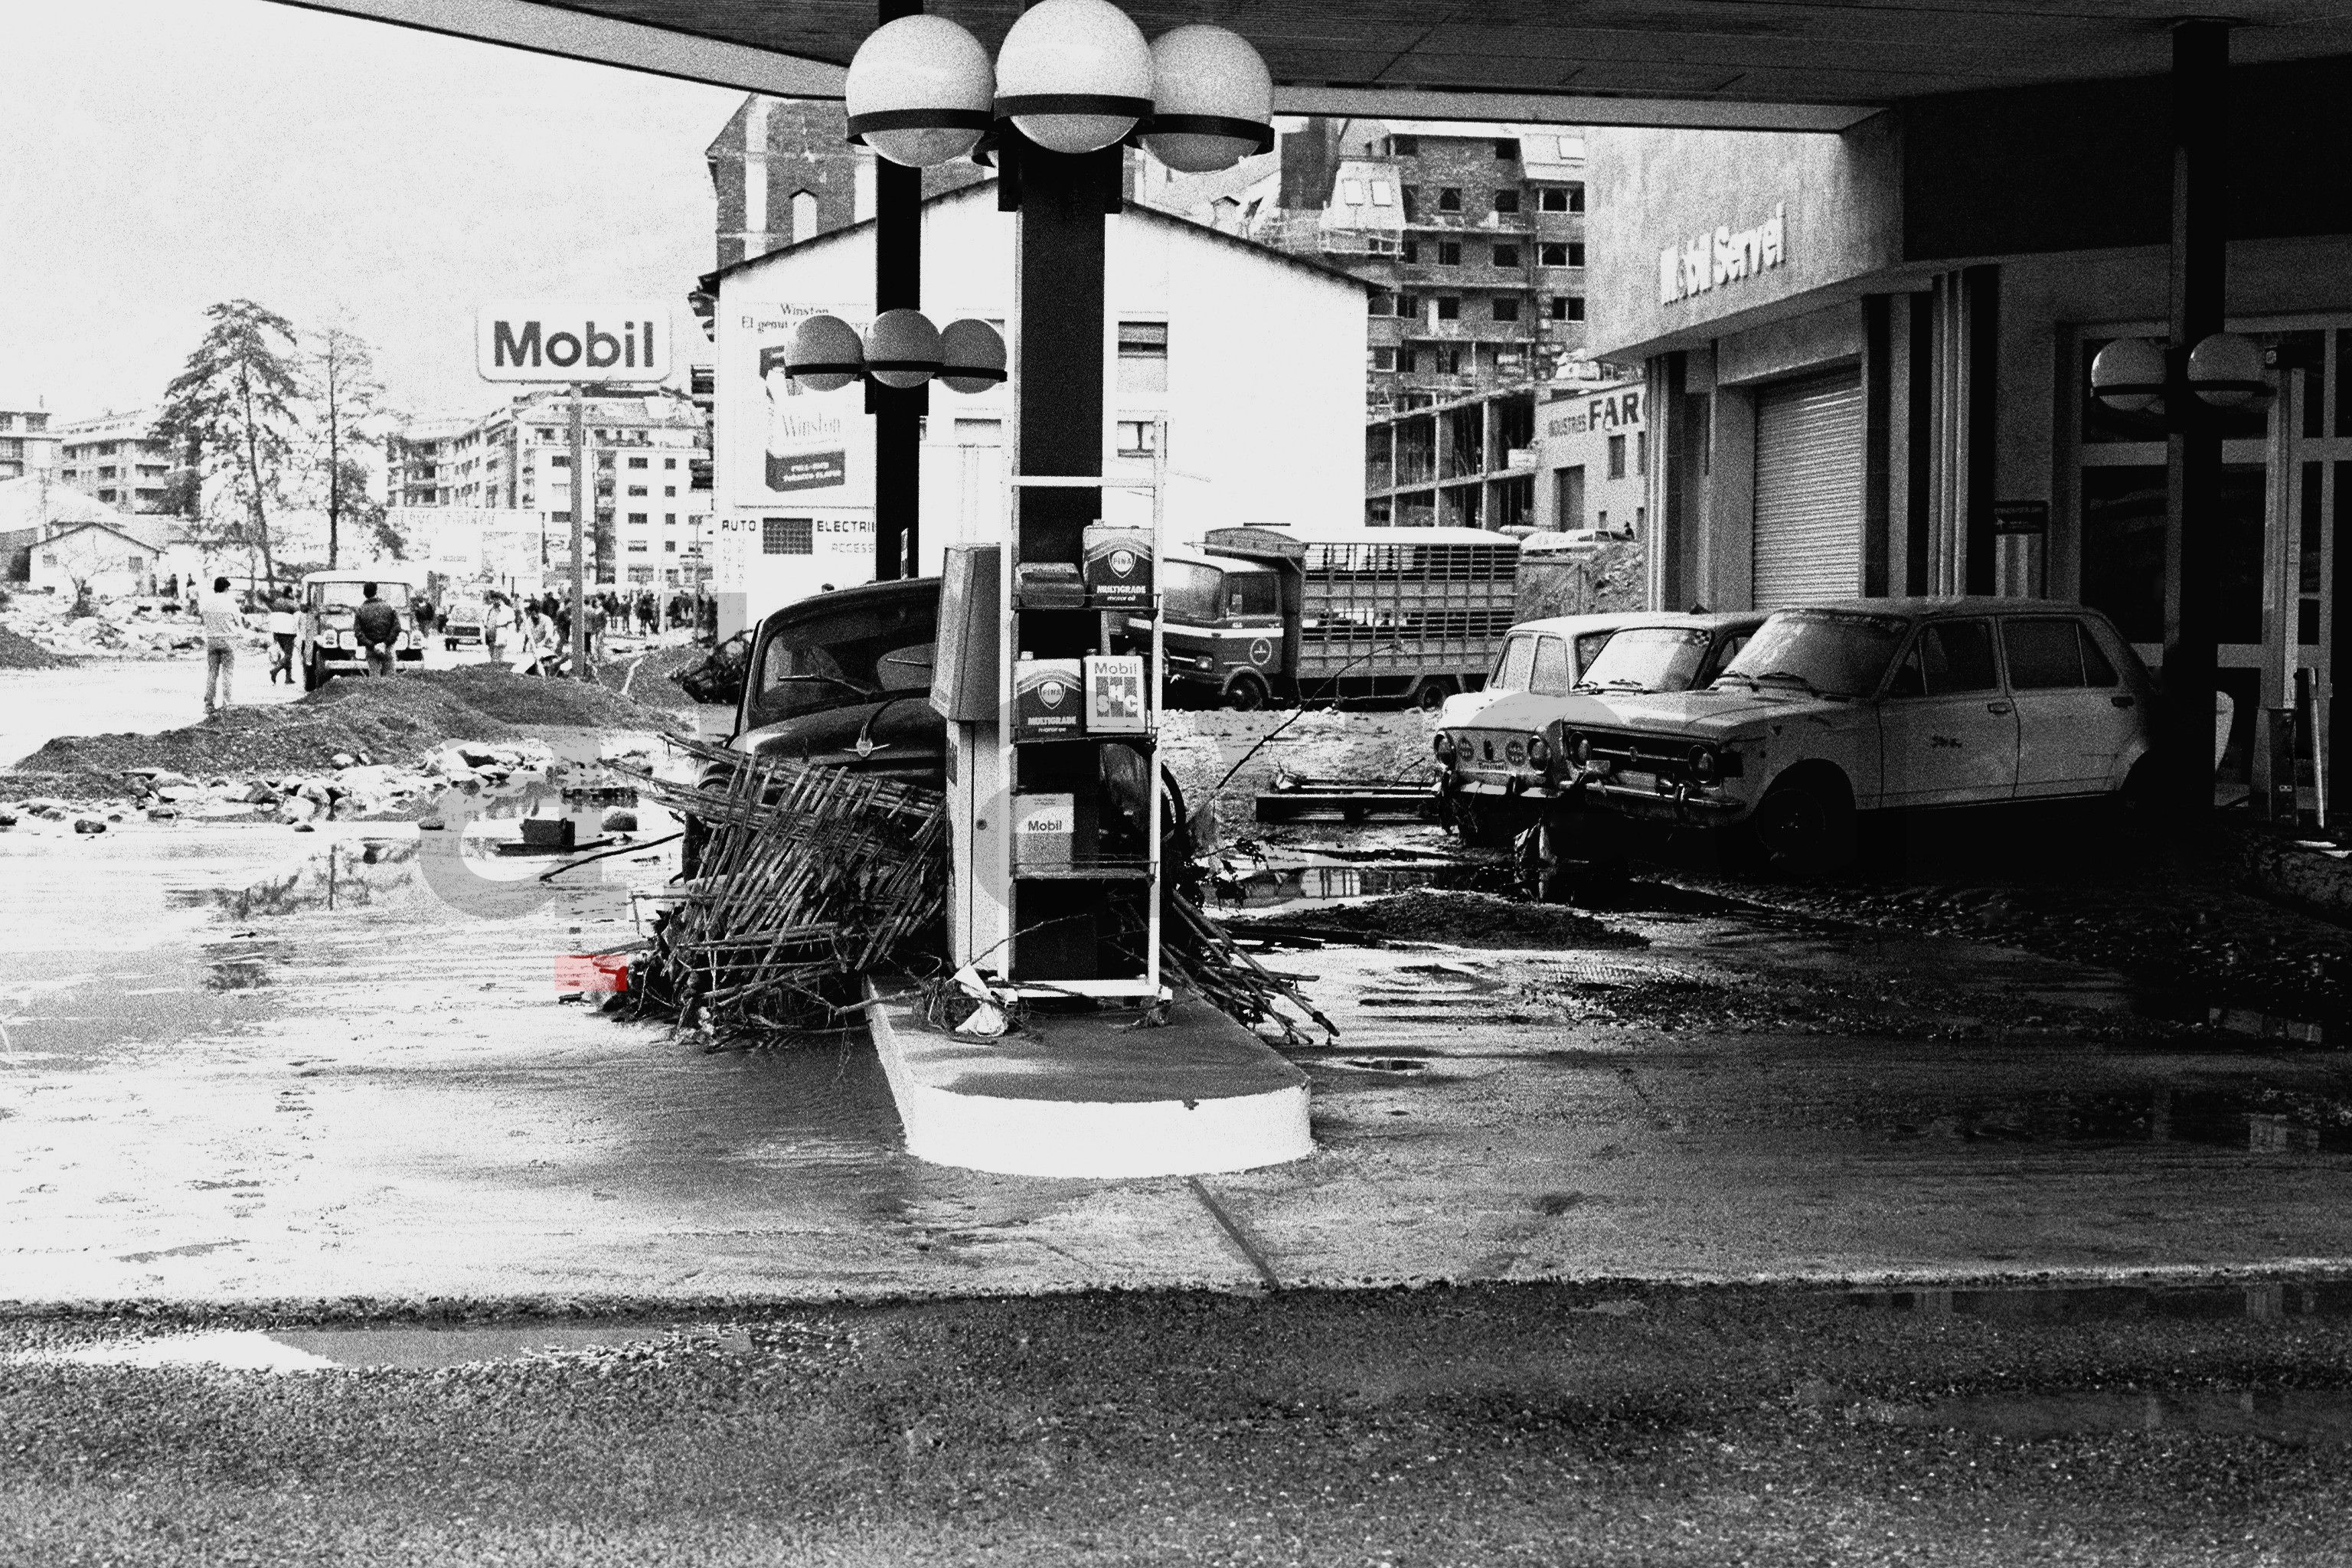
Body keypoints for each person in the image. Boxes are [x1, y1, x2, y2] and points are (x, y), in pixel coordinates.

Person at [199, 575, 240, 716]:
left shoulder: (206, 603)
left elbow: (203, 620)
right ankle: (227, 704)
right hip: (228, 641)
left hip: (211, 640)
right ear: (227, 588)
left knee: (212, 673)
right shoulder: (231, 603)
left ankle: (209, 705)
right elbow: (238, 623)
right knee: (227, 673)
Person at [354, 580, 402, 678]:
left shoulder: (360, 610)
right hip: (387, 648)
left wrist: (372, 645)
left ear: (364, 594)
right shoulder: (388, 607)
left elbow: (358, 633)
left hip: (371, 650)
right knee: (390, 680)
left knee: (374, 680)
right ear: (376, 592)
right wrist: (385, 643)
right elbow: (397, 628)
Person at [266, 586, 299, 684]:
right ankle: (275, 670)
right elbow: (298, 614)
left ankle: (288, 678)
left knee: (286, 655)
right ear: (289, 593)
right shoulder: (291, 603)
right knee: (289, 655)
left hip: (277, 631)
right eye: (292, 593)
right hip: (288, 632)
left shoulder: (277, 601)